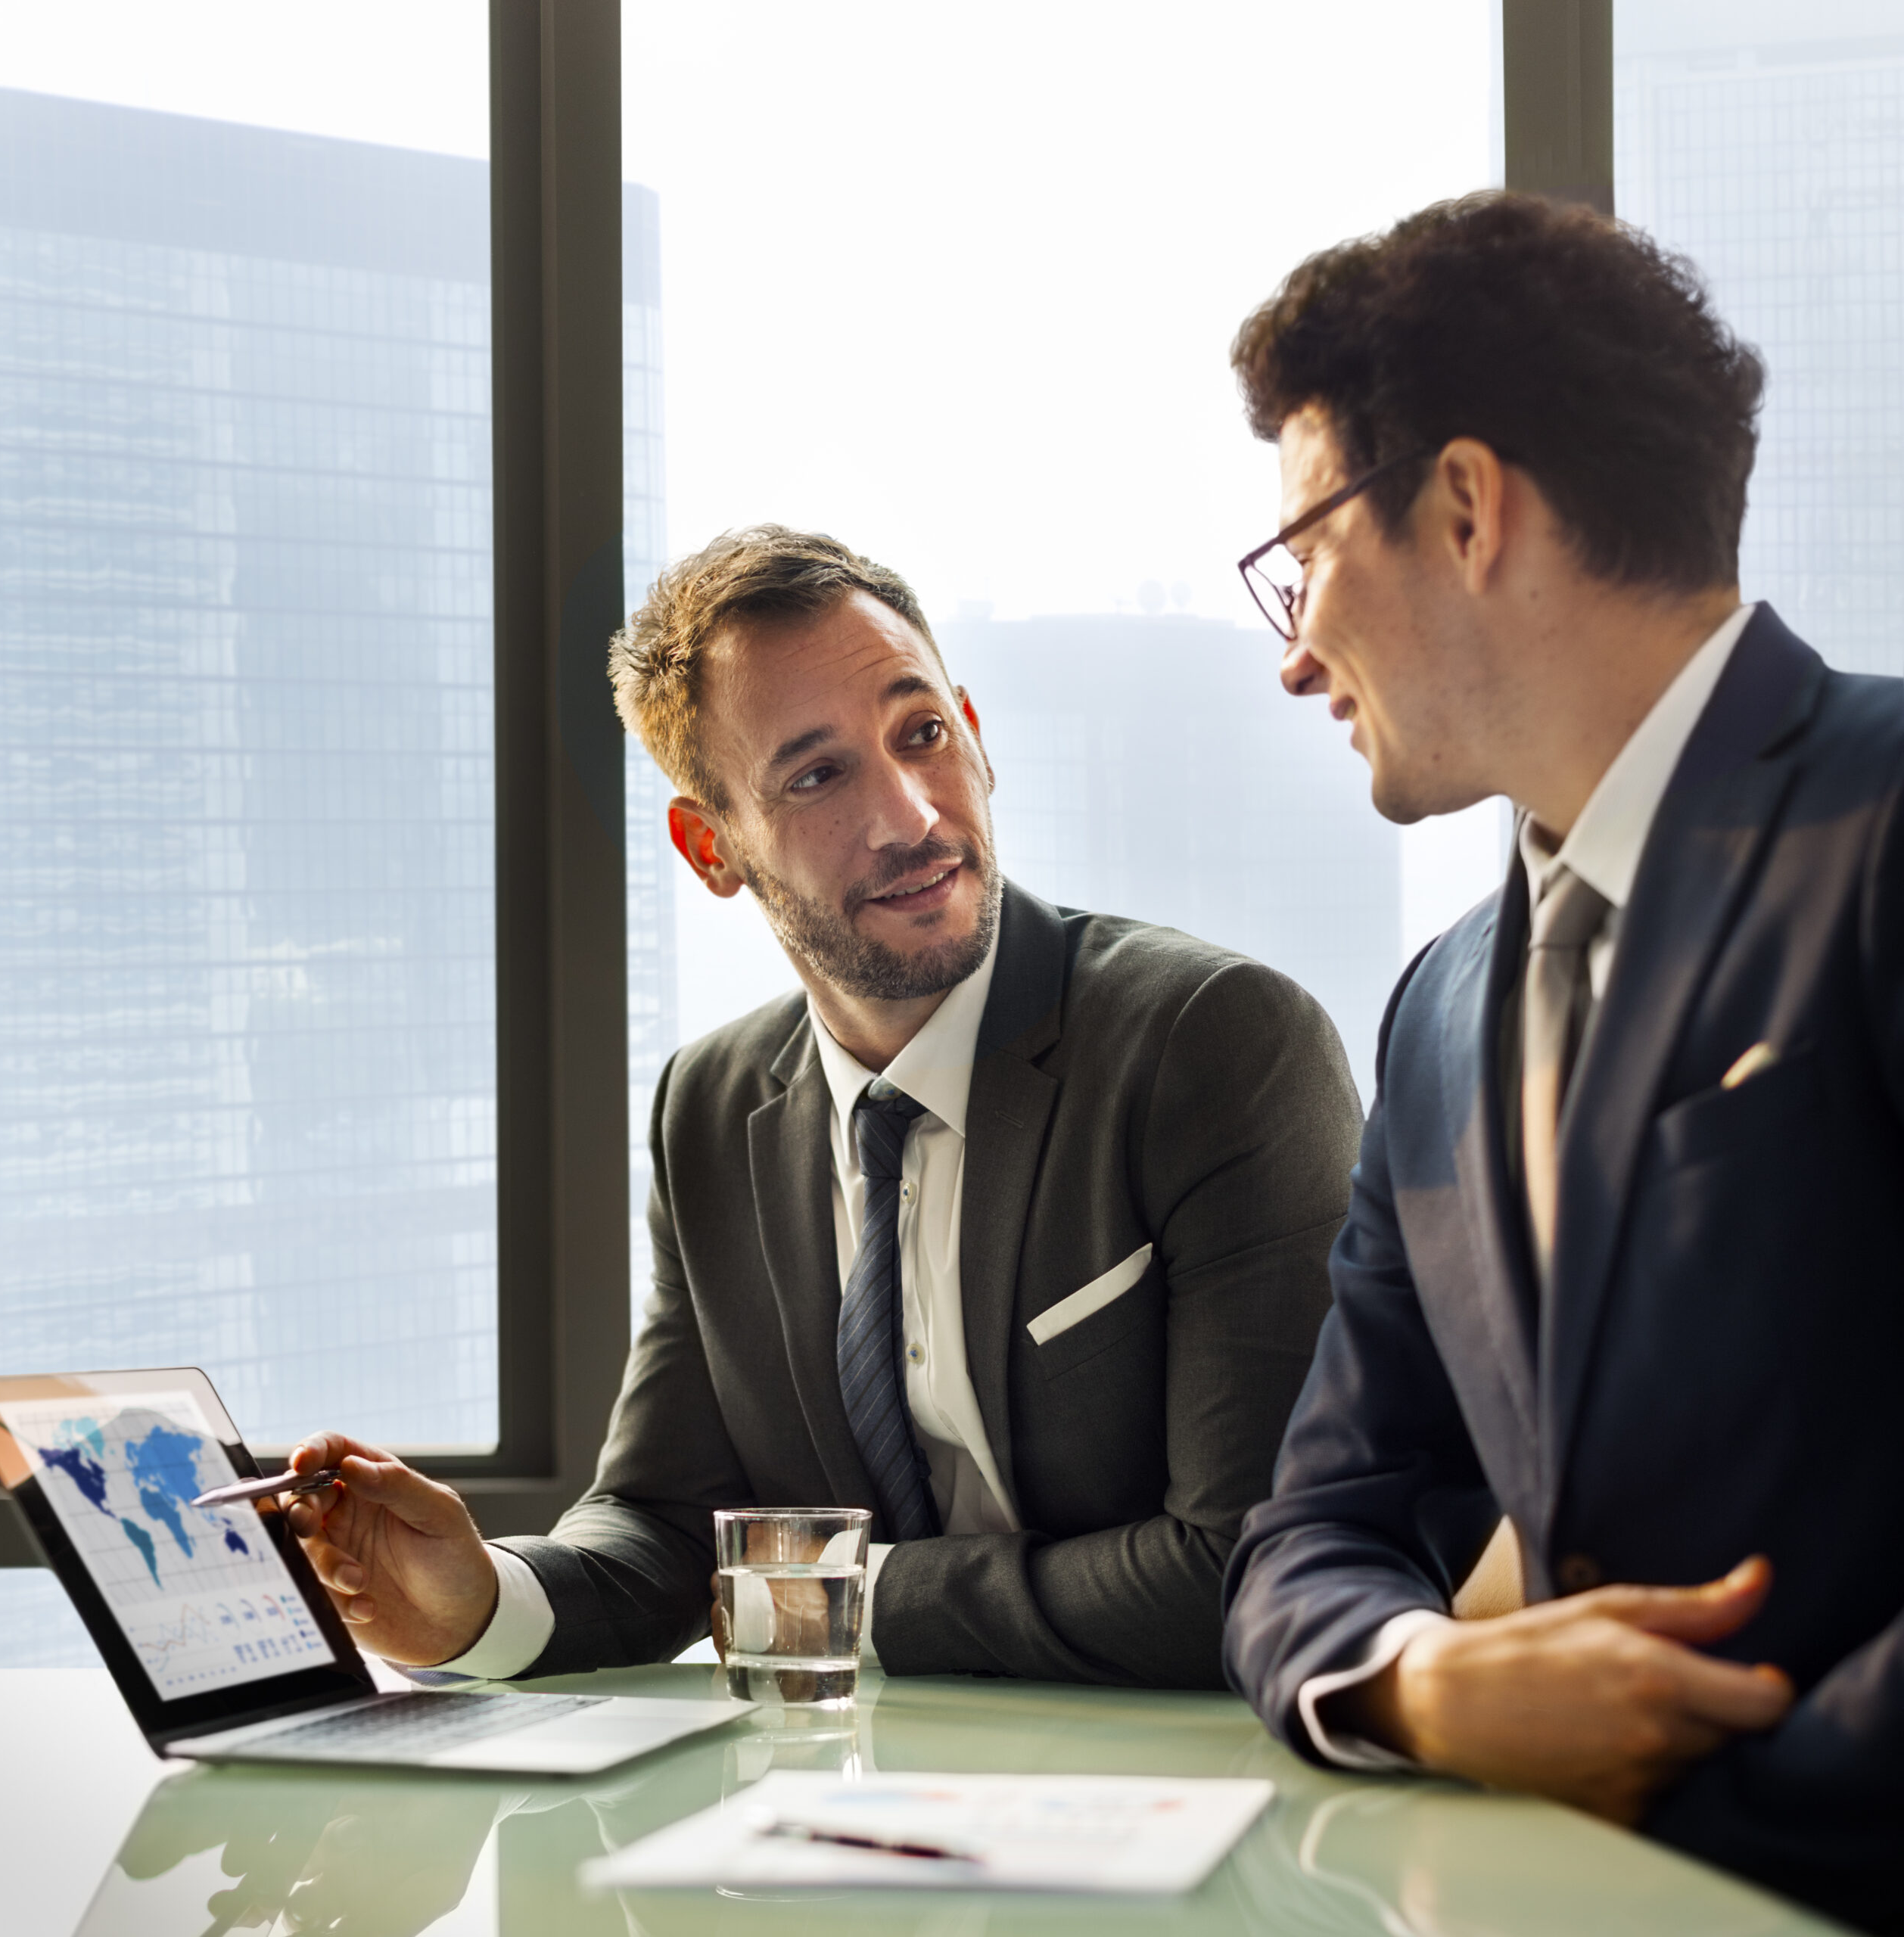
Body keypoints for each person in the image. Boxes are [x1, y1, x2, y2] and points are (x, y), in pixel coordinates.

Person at [287, 524, 1361, 1689]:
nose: (908, 816)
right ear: (711, 848)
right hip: (851, 1810)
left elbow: (1258, 1561)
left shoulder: (1218, 1044)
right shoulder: (711, 1107)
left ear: (980, 741)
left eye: (924, 734)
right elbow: (667, 1527)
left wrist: (853, 1593)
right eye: (816, 775)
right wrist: (480, 1604)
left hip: (1195, 1806)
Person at [1217, 191, 1904, 1932]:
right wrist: (1423, 1682)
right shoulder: (1436, 1010)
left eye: (1298, 553)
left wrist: (1706, 1796)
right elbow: (1313, 1523)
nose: (1291, 648)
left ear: (1461, 504)